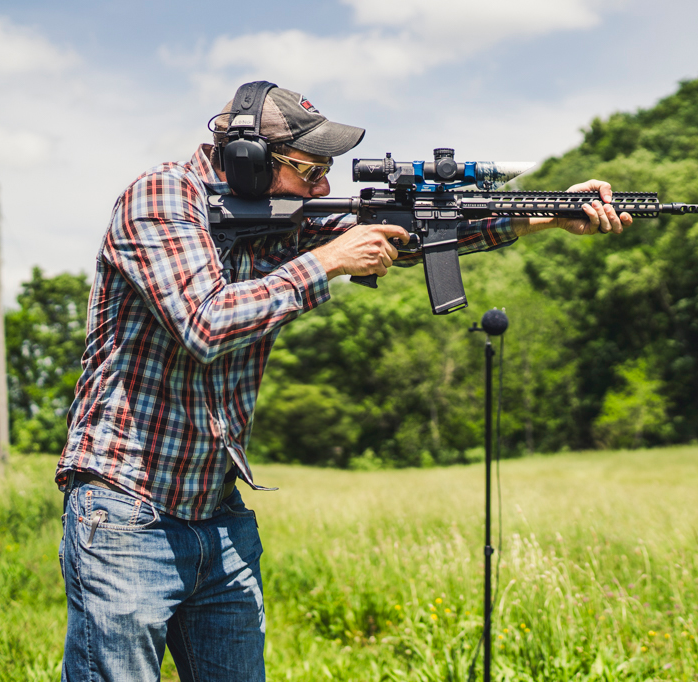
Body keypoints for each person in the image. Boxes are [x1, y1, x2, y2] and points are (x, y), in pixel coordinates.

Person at [55, 82, 632, 681]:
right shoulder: (160, 196)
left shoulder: (273, 216)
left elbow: (415, 235)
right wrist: (327, 261)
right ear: (248, 161)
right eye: (310, 171)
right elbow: (206, 323)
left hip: (215, 510)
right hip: (126, 511)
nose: (325, 187)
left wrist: (545, 215)